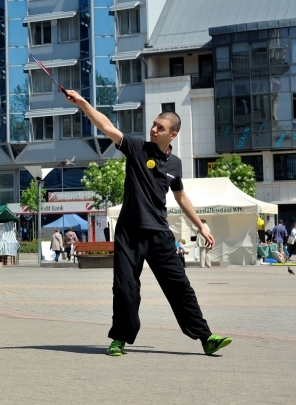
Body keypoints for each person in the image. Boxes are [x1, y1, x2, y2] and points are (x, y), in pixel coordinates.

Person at [63, 89, 232, 357]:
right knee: (125, 289)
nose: (153, 129)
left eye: (160, 127)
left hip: (159, 234)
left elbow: (181, 196)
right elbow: (106, 126)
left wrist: (201, 225)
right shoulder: (136, 148)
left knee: (180, 287)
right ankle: (119, 339)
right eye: (154, 124)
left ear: (172, 135)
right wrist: (83, 103)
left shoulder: (175, 164)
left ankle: (206, 338)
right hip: (129, 232)